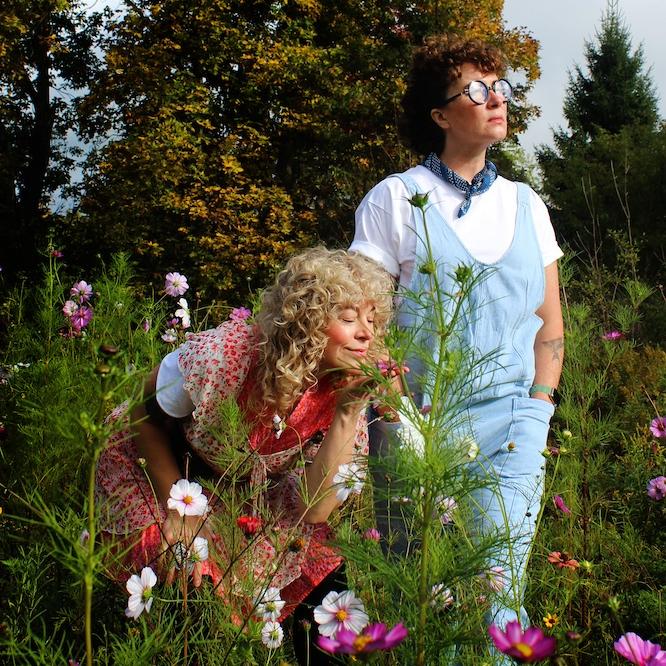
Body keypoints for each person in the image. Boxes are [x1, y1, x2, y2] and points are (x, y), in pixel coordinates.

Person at [350, 33, 564, 638]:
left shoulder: (528, 204)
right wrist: (398, 416)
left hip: (514, 426)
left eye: (500, 86)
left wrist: (539, 411)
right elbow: (363, 325)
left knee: (497, 597)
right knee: (422, 599)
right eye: (476, 88)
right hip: (417, 427)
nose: (495, 98)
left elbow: (550, 325)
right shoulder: (394, 200)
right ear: (441, 114)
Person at [95, 247, 394, 664]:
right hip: (157, 464)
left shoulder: (344, 383)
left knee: (327, 585)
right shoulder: (225, 356)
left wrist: (349, 410)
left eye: (372, 320)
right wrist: (179, 510)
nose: (366, 333)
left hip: (243, 484)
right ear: (304, 323)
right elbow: (142, 414)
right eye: (348, 318)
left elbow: (316, 510)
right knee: (188, 577)